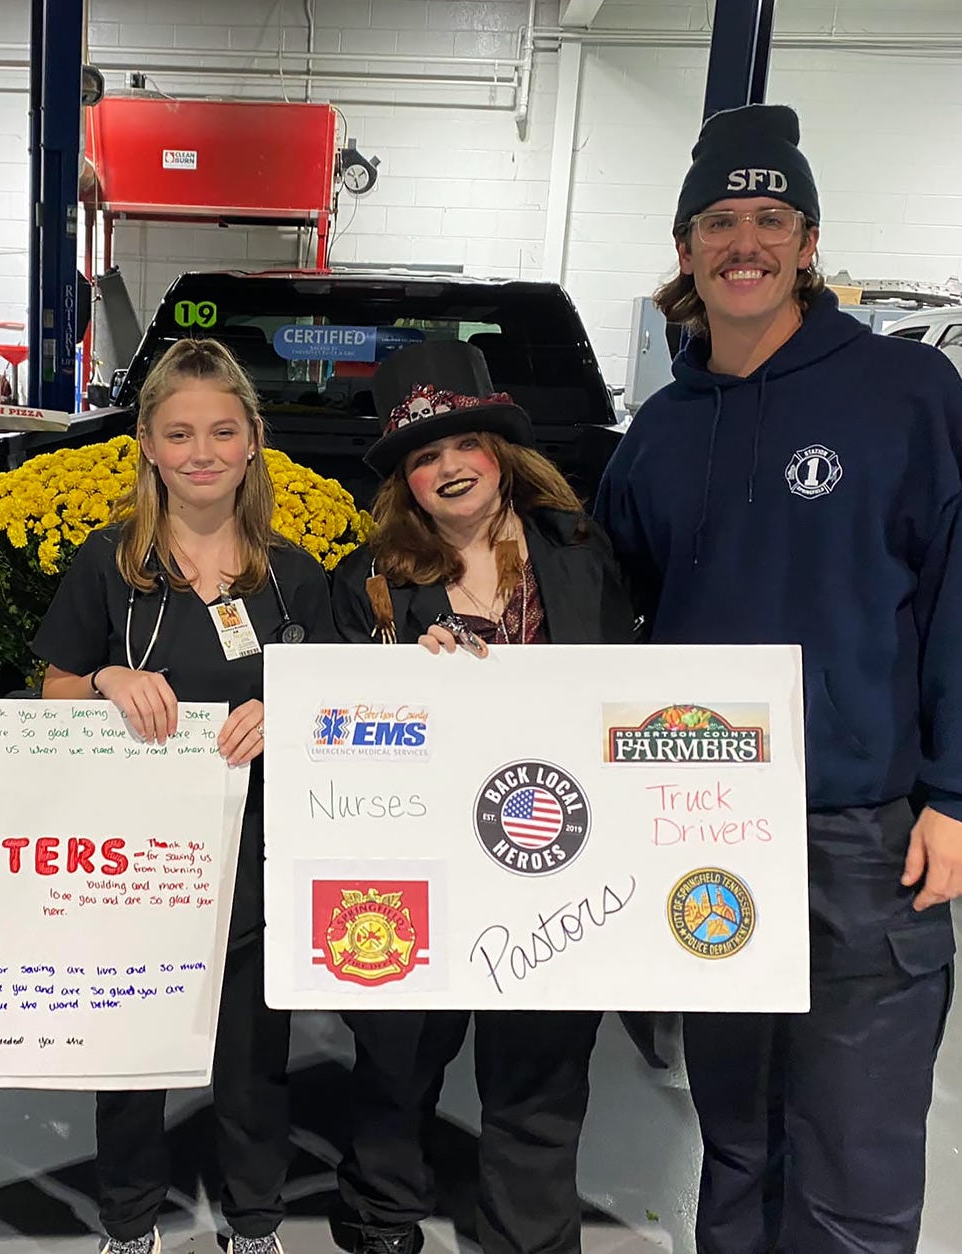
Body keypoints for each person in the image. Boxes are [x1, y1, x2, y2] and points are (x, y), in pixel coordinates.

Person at [593, 104, 962, 1254]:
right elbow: (609, 614)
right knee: (737, 1136)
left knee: (853, 1157)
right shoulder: (663, 431)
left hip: (863, 836)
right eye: (720, 222)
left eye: (771, 219)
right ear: (686, 249)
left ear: (809, 240)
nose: (746, 242)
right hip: (711, 830)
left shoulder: (905, 395)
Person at [31, 337, 337, 1254]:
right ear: (149, 448)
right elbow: (52, 690)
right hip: (135, 862)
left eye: (222, 431)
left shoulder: (295, 576)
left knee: (253, 1059)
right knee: (129, 1053)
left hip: (256, 854)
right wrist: (105, 680)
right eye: (179, 434)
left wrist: (289, 712)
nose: (202, 452)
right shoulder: (108, 567)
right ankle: (130, 1224)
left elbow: (340, 709)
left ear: (253, 441)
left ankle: (254, 1222)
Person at [328, 339, 635, 1254]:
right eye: (425, 455)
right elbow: (337, 733)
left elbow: (627, 695)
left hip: (553, 857)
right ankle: (381, 1215)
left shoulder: (580, 553)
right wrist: (399, 681)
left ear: (501, 453)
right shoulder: (370, 583)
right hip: (416, 862)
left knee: (541, 1076)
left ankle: (529, 1238)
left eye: (466, 443)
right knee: (398, 1059)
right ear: (405, 481)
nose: (451, 466)